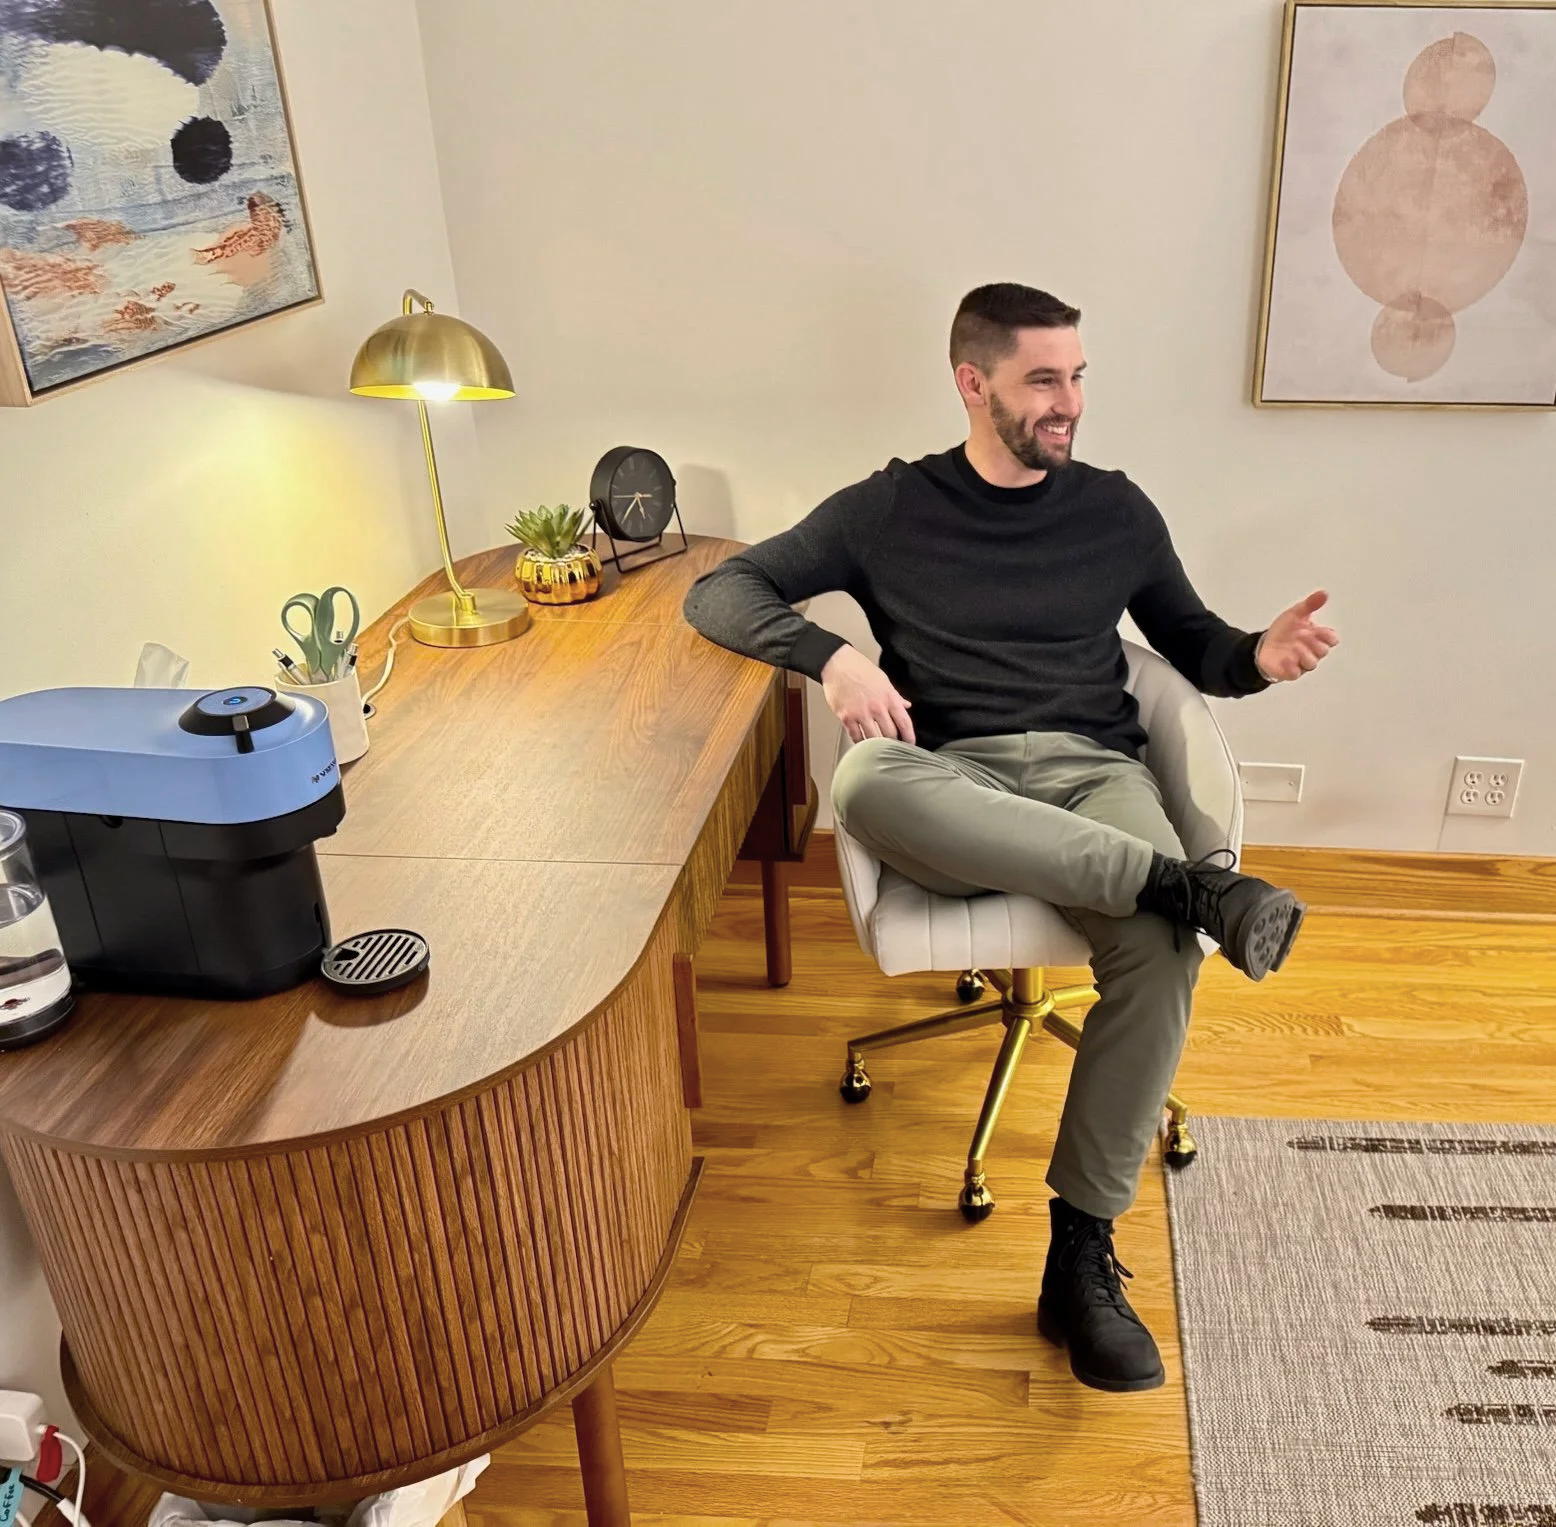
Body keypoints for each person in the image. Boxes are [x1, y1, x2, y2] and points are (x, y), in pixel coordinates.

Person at [681, 282, 1339, 1394]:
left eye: (1076, 376)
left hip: (1096, 772)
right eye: (1043, 379)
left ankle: (1078, 1260)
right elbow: (720, 591)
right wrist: (832, 659)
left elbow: (1194, 643)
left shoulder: (1115, 511)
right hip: (954, 783)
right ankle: (1187, 885)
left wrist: (1256, 658)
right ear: (971, 383)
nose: (1068, 401)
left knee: (1158, 949)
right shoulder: (890, 508)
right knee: (865, 778)